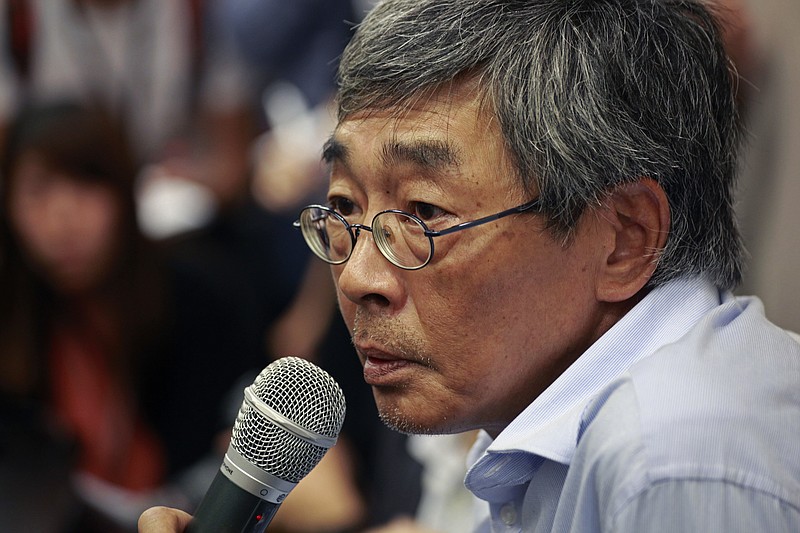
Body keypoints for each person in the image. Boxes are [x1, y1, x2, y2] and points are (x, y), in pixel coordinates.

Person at [139, 0, 800, 531]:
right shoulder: (543, 431)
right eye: (342, 205)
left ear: (624, 238)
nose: (359, 277)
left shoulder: (675, 458)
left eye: (424, 213)